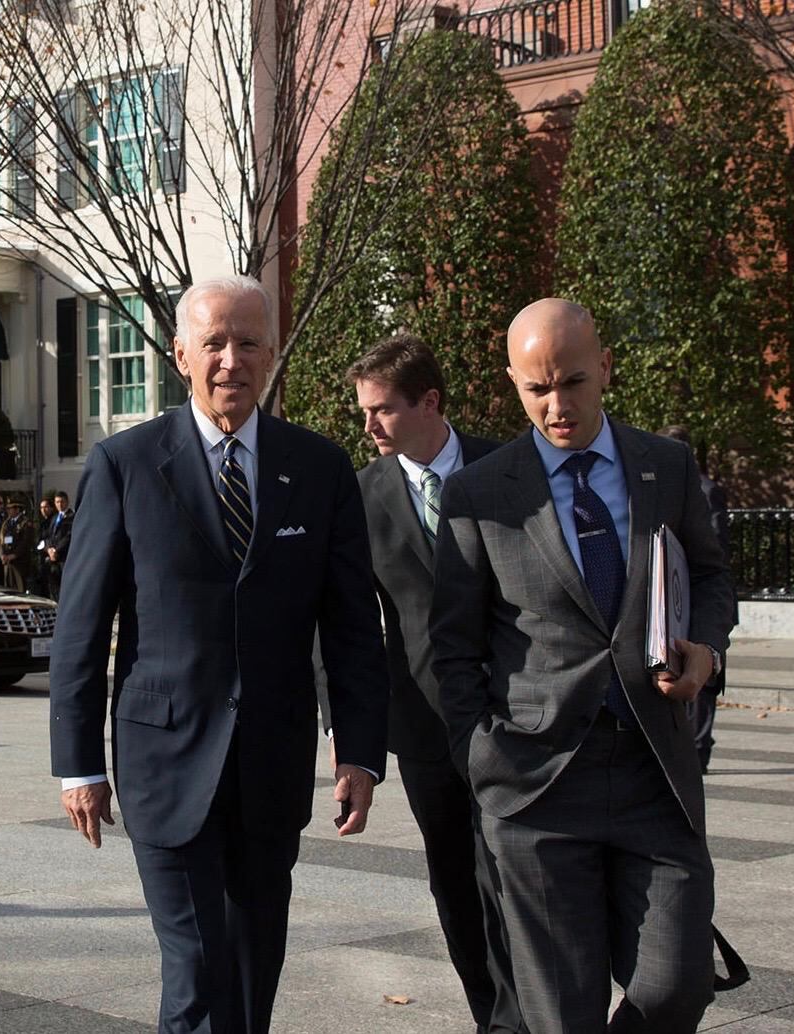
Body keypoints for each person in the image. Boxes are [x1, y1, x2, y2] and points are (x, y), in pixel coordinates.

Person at [49, 274, 389, 1034]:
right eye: (214, 343)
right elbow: (80, 626)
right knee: (198, 968)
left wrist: (360, 751)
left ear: (272, 354)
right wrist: (78, 764)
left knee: (251, 963)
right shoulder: (125, 465)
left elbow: (351, 627)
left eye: (248, 343)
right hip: (163, 761)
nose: (230, 360)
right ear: (180, 354)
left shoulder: (321, 469)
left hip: (270, 762)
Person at [430, 299, 736, 1034]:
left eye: (571, 381)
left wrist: (707, 648)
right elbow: (453, 645)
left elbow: (712, 575)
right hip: (533, 782)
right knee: (563, 1016)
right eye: (537, 389)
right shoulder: (478, 494)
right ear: (513, 384)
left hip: (653, 768)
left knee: (675, 984)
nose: (558, 405)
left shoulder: (665, 466)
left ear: (604, 367)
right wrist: (484, 759)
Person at [341, 335, 524, 1034]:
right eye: (364, 411)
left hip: (518, 718)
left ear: (431, 403)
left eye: (382, 410)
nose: (369, 426)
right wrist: (351, 739)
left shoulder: (509, 469)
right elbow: (347, 625)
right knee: (455, 883)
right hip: (423, 728)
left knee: (522, 877)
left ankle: (534, 1013)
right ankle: (496, 1021)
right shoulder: (360, 496)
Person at [663, 425, 735, 773]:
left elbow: (716, 554)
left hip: (701, 600)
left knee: (705, 677)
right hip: (674, 598)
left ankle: (699, 748)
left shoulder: (706, 491)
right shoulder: (662, 489)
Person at [0, 497, 35, 592]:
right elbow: (0, 541)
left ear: (17, 509)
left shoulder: (25, 523)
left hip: (20, 563)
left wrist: (14, 555)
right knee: (9, 590)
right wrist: (2, 554)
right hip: (8, 563)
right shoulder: (6, 523)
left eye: (11, 508)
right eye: (8, 509)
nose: (8, 511)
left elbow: (26, 542)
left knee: (20, 589)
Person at [45, 490, 74, 601]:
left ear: (67, 502)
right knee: (53, 587)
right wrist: (49, 550)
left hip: (64, 557)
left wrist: (56, 550)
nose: (60, 504)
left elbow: (69, 536)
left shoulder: (72, 517)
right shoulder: (54, 518)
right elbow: (48, 536)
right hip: (53, 558)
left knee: (65, 586)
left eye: (62, 502)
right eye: (57, 502)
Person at [31, 496, 55, 597]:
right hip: (41, 557)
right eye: (41, 508)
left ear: (51, 508)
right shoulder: (42, 523)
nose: (43, 510)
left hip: (50, 557)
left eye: (46, 507)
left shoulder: (53, 521)